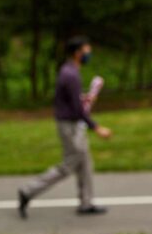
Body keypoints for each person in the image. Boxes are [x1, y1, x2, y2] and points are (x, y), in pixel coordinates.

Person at [18, 36, 112, 218]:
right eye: (87, 52)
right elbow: (77, 109)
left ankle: (86, 203)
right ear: (78, 53)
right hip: (69, 126)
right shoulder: (70, 74)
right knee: (69, 165)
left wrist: (84, 97)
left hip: (71, 123)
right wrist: (97, 127)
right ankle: (27, 191)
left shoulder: (69, 71)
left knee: (85, 163)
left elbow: (70, 100)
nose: (89, 55)